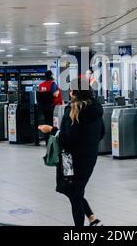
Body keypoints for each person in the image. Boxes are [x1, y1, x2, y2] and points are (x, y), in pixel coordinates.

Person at [39, 78, 105, 226]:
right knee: (76, 190)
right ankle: (93, 218)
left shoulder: (74, 110)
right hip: (90, 158)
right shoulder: (96, 109)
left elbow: (67, 139)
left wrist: (51, 130)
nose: (69, 92)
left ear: (75, 92)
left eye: (70, 90)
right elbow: (102, 133)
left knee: (74, 194)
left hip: (72, 160)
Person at [38, 70, 63, 145]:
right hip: (54, 107)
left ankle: (47, 140)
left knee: (46, 122)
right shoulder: (53, 84)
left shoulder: (41, 85)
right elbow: (55, 94)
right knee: (54, 124)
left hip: (44, 107)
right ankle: (54, 141)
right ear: (51, 75)